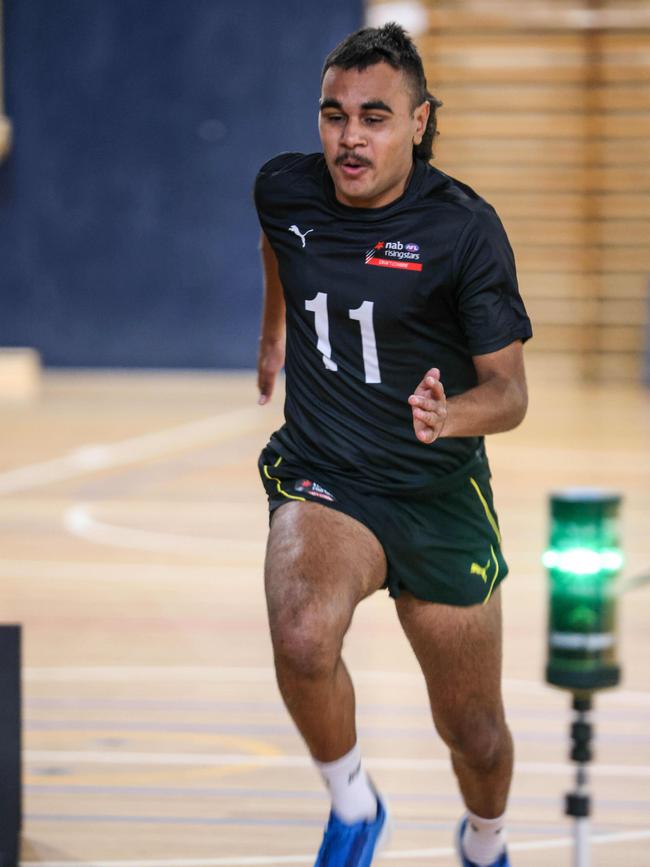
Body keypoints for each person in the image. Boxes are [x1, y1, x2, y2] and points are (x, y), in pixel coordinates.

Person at [253, 22, 531, 867]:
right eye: (333, 115)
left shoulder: (463, 229)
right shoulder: (284, 189)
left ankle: (485, 842)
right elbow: (278, 245)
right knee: (302, 634)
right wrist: (271, 331)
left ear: (419, 122)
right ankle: (353, 803)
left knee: (474, 733)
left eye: (374, 117)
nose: (349, 137)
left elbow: (510, 395)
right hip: (327, 472)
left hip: (437, 495)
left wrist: (451, 417)